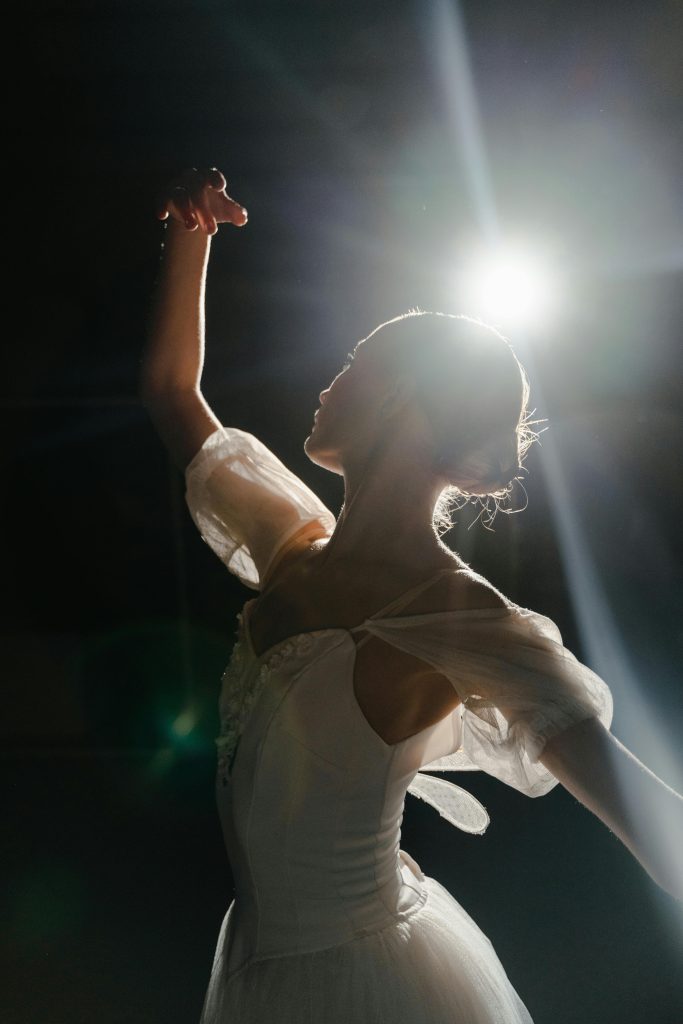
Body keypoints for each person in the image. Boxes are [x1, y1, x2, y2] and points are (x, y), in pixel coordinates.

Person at [141, 167, 683, 1023]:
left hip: (369, 986)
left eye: (352, 366)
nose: (327, 386)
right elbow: (175, 397)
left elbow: (650, 820)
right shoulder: (292, 547)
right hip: (254, 974)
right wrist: (189, 239)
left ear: (400, 396)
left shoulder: (462, 617)